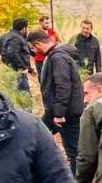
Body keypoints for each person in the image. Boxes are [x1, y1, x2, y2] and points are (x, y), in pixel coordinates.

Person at [28, 30, 85, 175]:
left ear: (38, 44)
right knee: (35, 135)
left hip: (66, 113)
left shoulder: (57, 58)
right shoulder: (54, 56)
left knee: (73, 150)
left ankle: (77, 182)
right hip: (54, 111)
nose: (34, 52)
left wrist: (59, 113)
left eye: (33, 48)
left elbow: (63, 85)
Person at [0, 17, 35, 93]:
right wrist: (23, 67)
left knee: (12, 93)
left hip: (9, 69)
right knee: (24, 96)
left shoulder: (5, 36)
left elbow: (0, 50)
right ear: (24, 28)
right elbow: (12, 53)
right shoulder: (16, 38)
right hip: (18, 71)